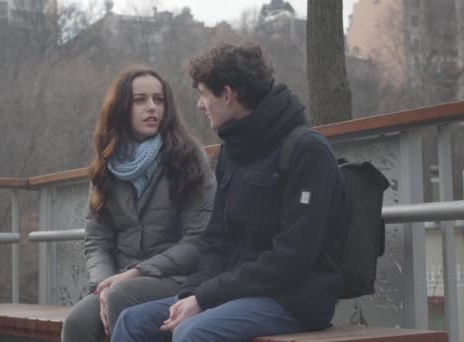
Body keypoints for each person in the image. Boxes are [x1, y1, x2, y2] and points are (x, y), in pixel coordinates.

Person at [110, 44, 349, 342]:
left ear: (227, 94)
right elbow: (215, 240)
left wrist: (207, 296)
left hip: (293, 299)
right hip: (233, 293)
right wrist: (192, 293)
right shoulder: (233, 152)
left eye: (203, 94)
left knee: (193, 333)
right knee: (133, 321)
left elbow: (293, 257)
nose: (199, 105)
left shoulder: (307, 151)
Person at [61, 65, 216, 342]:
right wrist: (103, 286)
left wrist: (135, 273)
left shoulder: (188, 158)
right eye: (140, 100)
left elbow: (199, 239)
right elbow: (97, 241)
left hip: (178, 277)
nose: (152, 107)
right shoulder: (106, 165)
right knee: (78, 321)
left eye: (159, 99)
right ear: (121, 107)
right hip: (120, 280)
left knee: (124, 296)